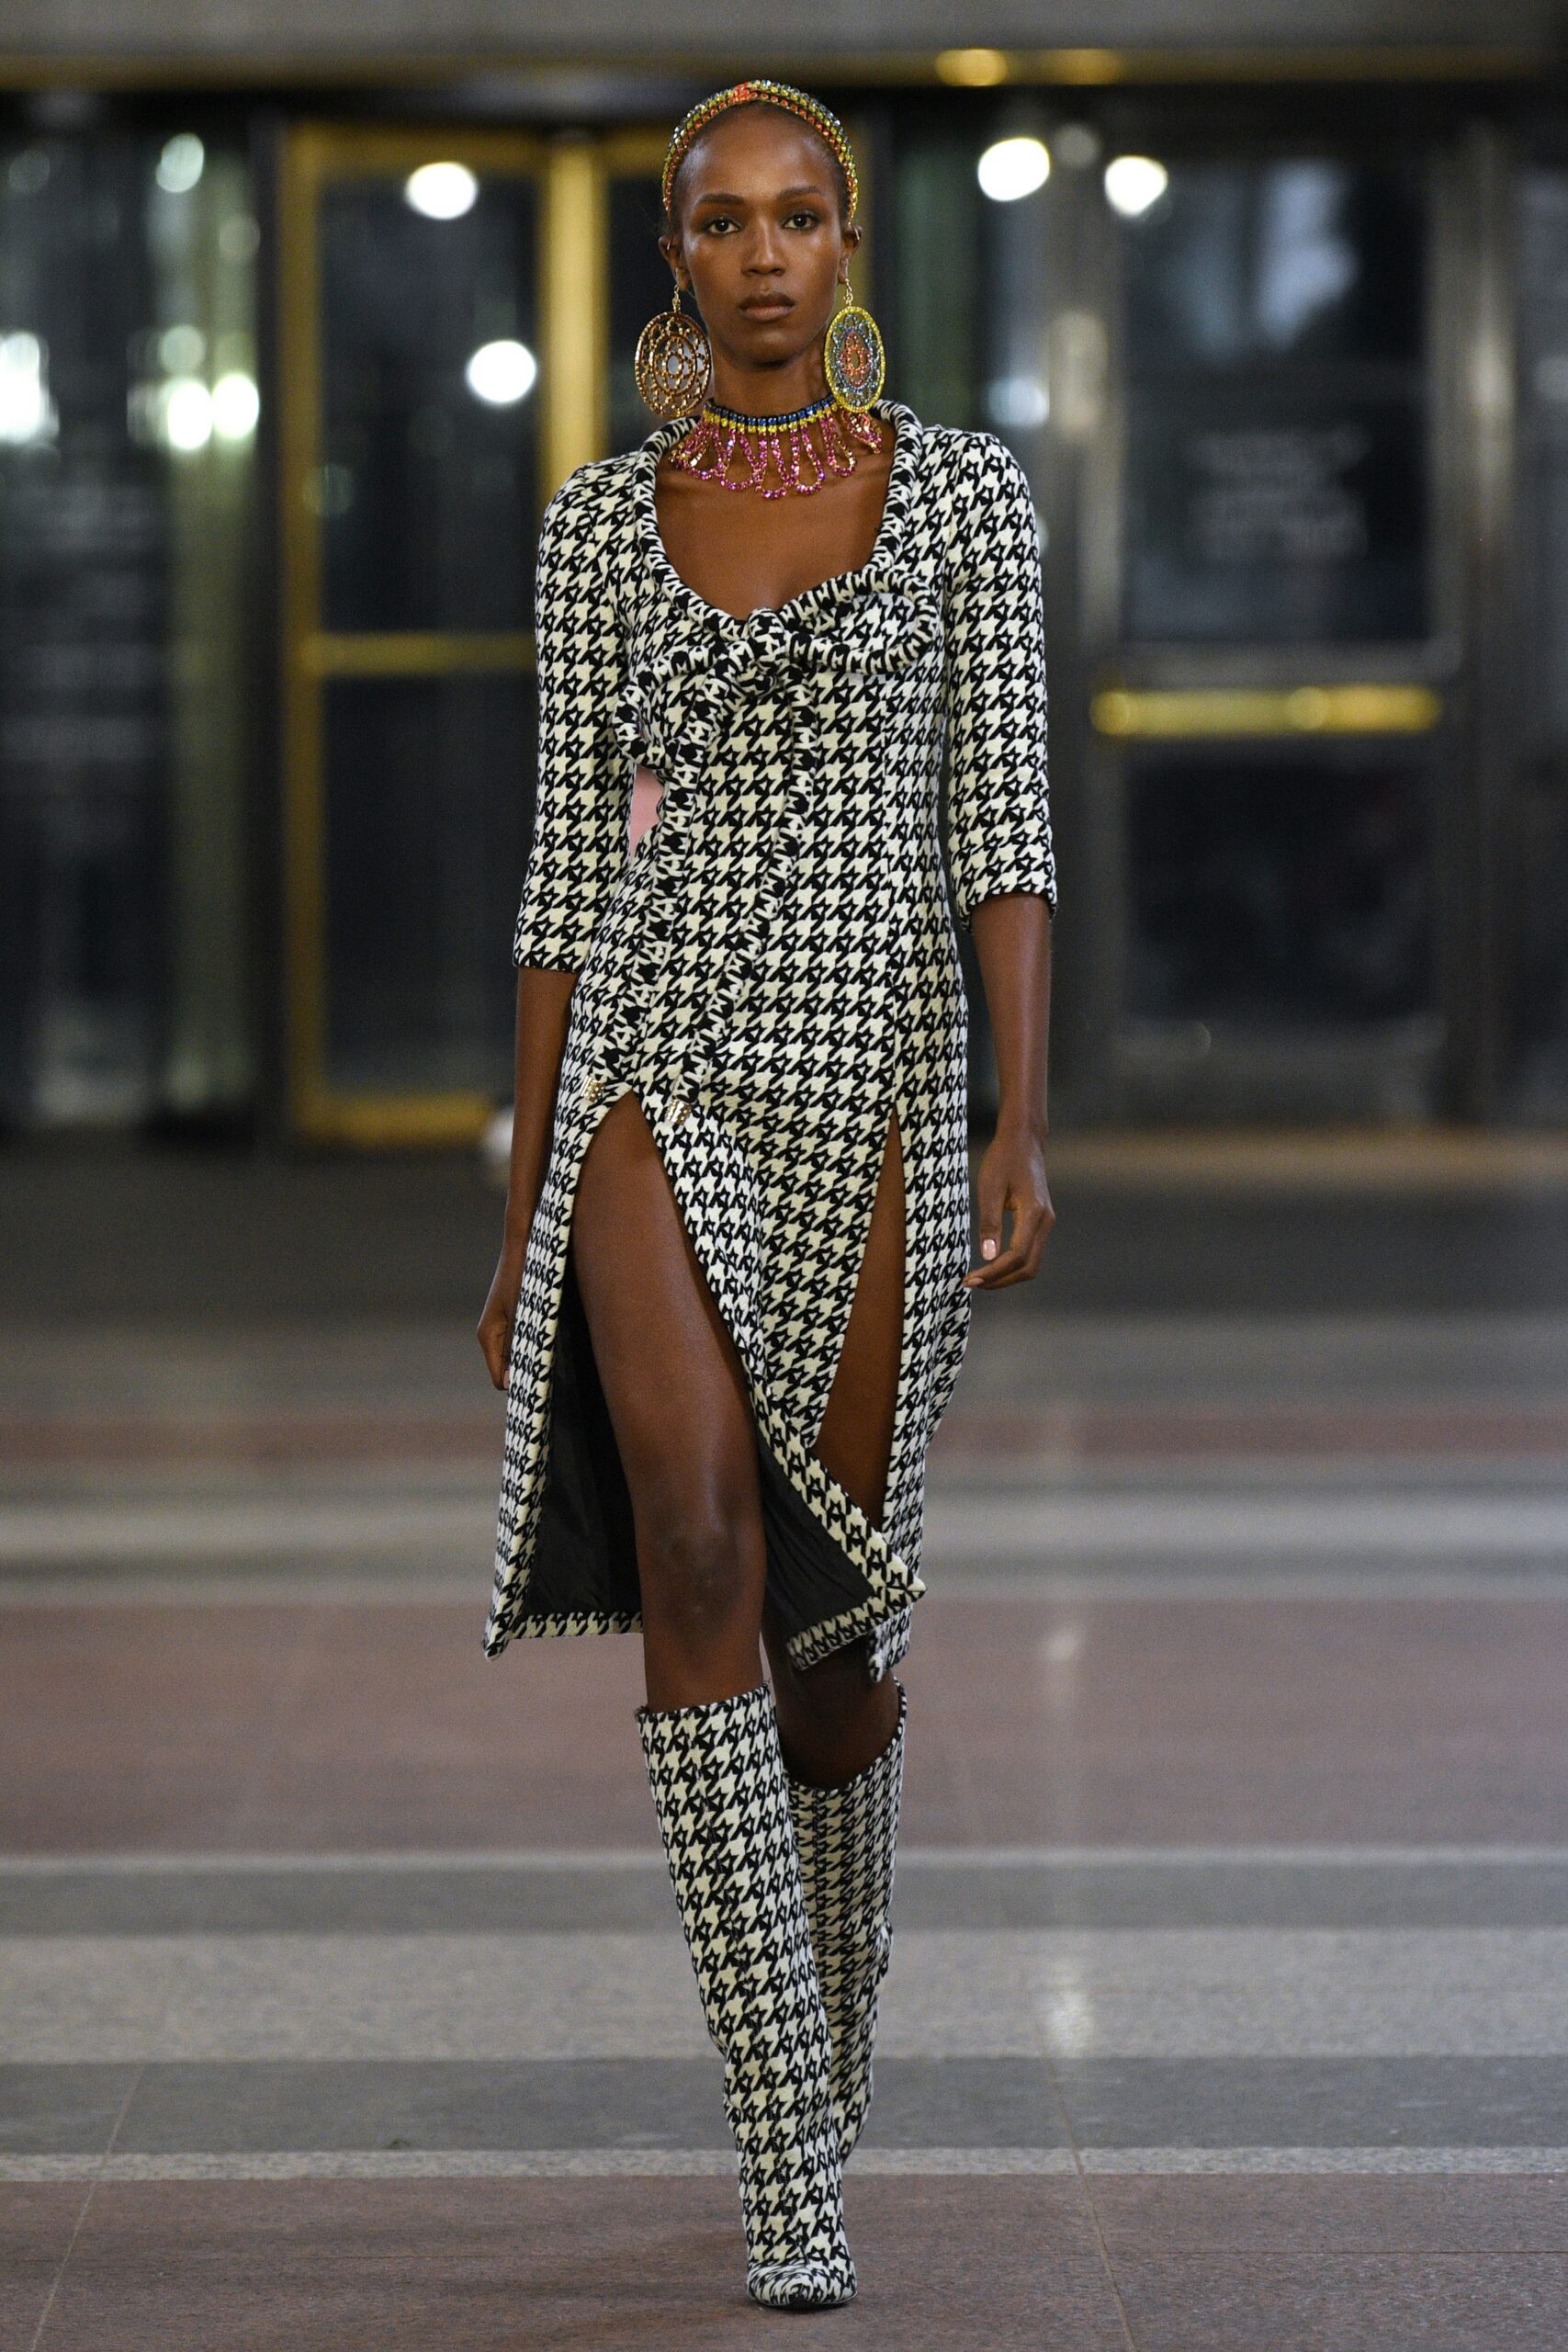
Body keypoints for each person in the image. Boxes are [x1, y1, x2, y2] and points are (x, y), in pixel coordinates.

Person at [477, 77, 1056, 2312]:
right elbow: (555, 875)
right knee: (699, 1538)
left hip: (888, 1075)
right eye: (717, 223)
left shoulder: (966, 507)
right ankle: (781, 2161)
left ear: (848, 250)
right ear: (671, 258)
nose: (758, 258)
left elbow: (1002, 819)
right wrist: (524, 1188)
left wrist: (1017, 1112)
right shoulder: (594, 529)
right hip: (661, 1046)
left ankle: (826, 2047)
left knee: (837, 1653)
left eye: (797, 218)